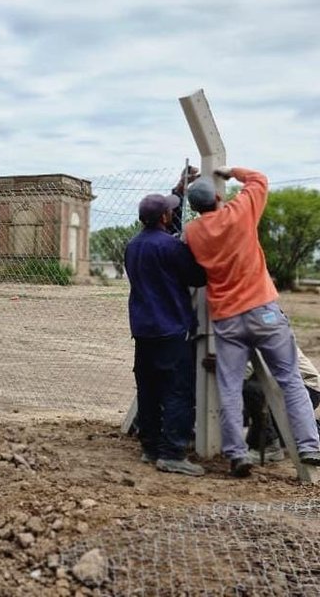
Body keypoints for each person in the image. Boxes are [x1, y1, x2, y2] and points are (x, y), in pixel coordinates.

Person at [184, 167, 320, 477]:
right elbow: (259, 180)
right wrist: (231, 172)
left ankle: (236, 454)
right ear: (218, 196)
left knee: (229, 386)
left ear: (195, 208)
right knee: (290, 378)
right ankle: (309, 446)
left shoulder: (193, 232)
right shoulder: (240, 211)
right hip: (263, 311)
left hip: (227, 318)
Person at [125, 190, 207, 476]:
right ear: (164, 217)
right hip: (171, 328)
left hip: (143, 329)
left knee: (148, 389)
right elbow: (197, 276)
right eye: (170, 210)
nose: (172, 214)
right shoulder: (171, 248)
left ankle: (150, 448)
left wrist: (178, 191)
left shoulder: (133, 245)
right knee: (176, 391)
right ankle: (173, 452)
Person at [243, 347, 320, 462]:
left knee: (252, 389)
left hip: (306, 388)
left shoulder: (263, 334)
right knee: (258, 437)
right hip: (289, 386)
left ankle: (270, 446)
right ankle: (311, 429)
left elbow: (248, 369)